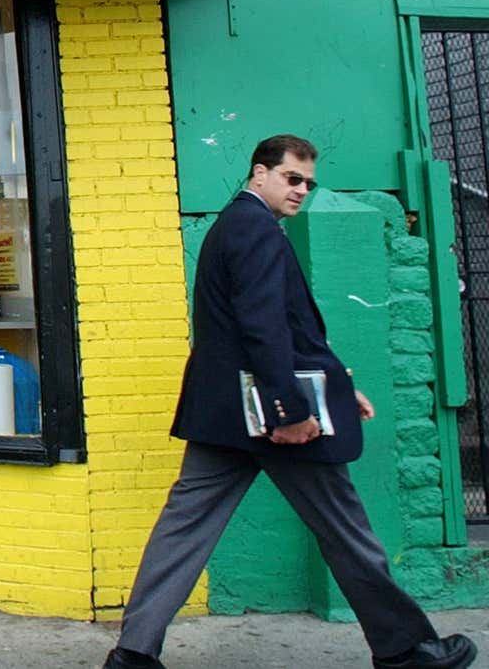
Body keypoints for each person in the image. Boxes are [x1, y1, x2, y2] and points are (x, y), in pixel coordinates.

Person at [104, 135, 477, 669]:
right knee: (348, 530)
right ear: (261, 174)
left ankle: (133, 654)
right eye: (291, 178)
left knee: (183, 529)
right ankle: (405, 651)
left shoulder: (236, 226)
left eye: (308, 182)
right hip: (271, 418)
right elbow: (264, 328)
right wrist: (292, 412)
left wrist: (341, 388)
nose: (301, 190)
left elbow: (279, 331)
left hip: (226, 415)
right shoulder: (255, 230)